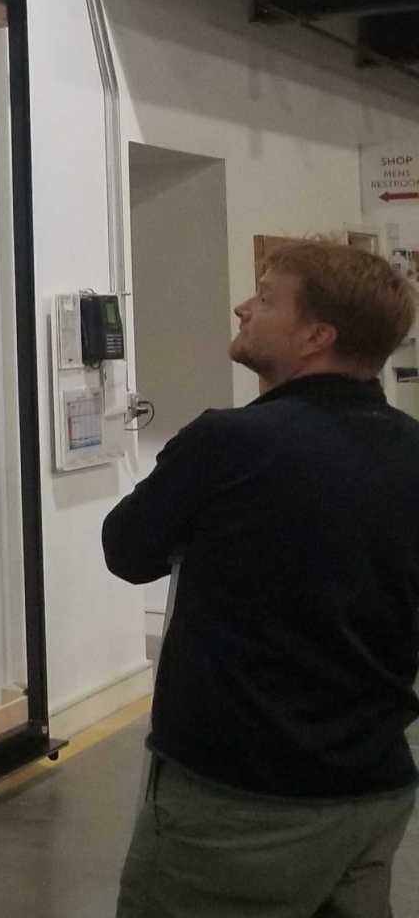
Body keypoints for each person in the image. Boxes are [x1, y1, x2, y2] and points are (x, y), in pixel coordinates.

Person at [103, 240, 419, 918]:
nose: (243, 306)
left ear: (316, 337)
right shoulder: (411, 449)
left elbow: (127, 550)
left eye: (267, 298)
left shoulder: (231, 443)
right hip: (375, 789)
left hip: (242, 804)